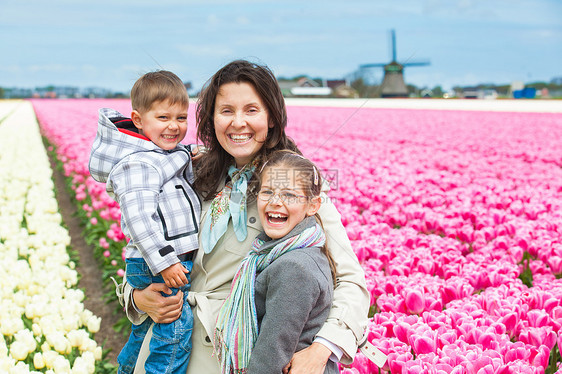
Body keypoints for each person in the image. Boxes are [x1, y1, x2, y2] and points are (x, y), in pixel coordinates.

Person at [119, 60, 372, 374]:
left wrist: (322, 349)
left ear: (272, 117)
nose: (238, 123)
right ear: (211, 119)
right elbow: (145, 248)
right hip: (168, 347)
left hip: (231, 354)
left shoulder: (293, 188)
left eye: (251, 110)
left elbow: (350, 281)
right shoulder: (189, 176)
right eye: (226, 111)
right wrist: (137, 297)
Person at [89, 70, 200, 374]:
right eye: (163, 118)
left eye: (181, 118)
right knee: (174, 330)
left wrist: (192, 153)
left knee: (149, 328)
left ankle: (127, 368)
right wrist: (164, 261)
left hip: (157, 259)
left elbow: (172, 162)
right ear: (138, 120)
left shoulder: (157, 154)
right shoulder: (136, 164)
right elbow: (139, 219)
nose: (174, 126)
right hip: (159, 261)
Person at [215, 150, 340, 374]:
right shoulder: (287, 250)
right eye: (268, 192)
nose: (275, 202)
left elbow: (271, 355)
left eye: (289, 195)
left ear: (313, 205)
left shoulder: (294, 267)